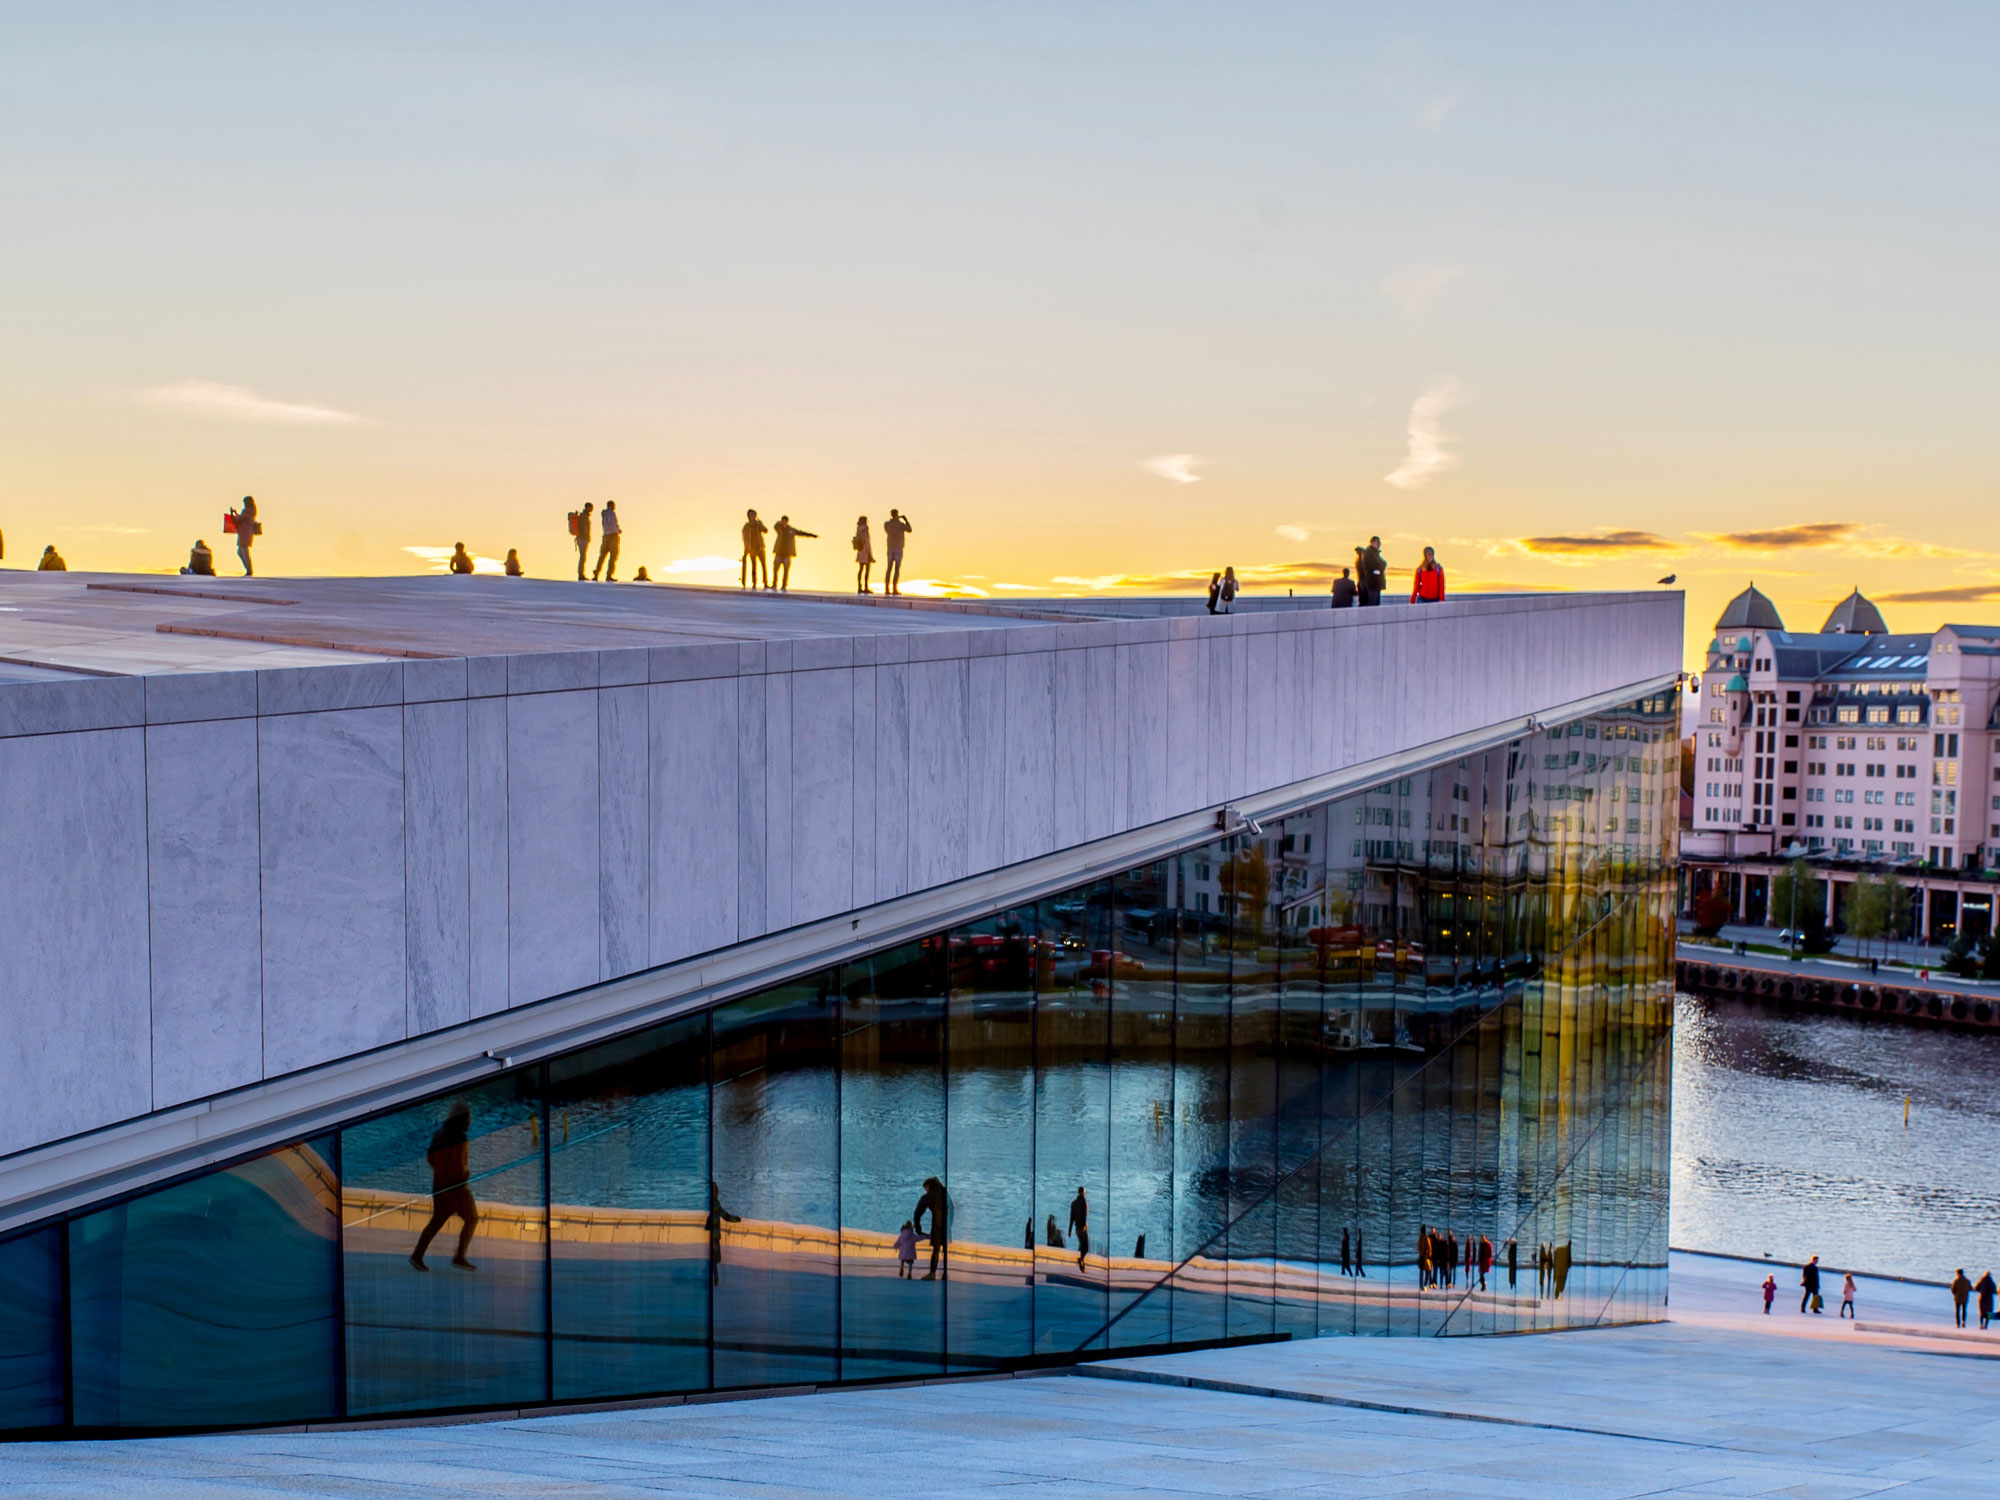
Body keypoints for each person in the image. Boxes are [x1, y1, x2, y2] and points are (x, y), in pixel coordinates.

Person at [409, 1102, 478, 1271]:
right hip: (456, 1188)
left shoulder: (439, 1135)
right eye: (468, 1119)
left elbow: (431, 1159)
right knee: (471, 1218)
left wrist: (442, 1179)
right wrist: (462, 1177)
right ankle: (459, 1256)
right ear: (463, 1120)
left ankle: (418, 1255)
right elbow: (457, 1165)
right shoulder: (460, 1138)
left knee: (437, 1221)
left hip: (440, 1186)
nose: (470, 1122)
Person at [707, 1181, 741, 1288]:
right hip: (715, 1236)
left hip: (710, 1235)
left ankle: (713, 1278)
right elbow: (725, 1216)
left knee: (712, 1258)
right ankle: (715, 1278)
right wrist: (736, 1219)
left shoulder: (708, 1204)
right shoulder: (716, 1204)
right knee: (715, 1258)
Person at [914, 1176, 949, 1280]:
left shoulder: (928, 1196)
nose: (925, 1190)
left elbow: (917, 1213)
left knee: (936, 1249)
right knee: (945, 1249)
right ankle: (944, 1274)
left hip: (937, 1224)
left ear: (928, 1186)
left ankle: (932, 1273)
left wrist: (918, 1229)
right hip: (946, 1223)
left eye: (925, 1188)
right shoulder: (944, 1192)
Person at [772, 516, 816, 591]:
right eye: (782, 521)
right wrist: (779, 523)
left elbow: (801, 533)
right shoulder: (779, 529)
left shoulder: (791, 530)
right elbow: (775, 526)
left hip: (788, 554)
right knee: (775, 569)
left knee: (786, 569)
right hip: (779, 553)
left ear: (787, 521)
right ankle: (774, 584)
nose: (783, 522)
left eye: (784, 521)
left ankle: (784, 585)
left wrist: (812, 535)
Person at [883, 509, 913, 594]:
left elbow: (887, 530)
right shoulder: (901, 525)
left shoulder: (887, 524)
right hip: (898, 548)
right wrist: (906, 520)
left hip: (890, 547)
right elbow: (910, 529)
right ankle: (894, 588)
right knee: (896, 569)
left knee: (889, 568)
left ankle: (887, 588)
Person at [740, 509, 769, 589]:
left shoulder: (758, 524)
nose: (752, 516)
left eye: (753, 514)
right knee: (754, 566)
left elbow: (766, 530)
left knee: (763, 566)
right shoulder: (746, 526)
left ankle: (765, 583)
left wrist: (760, 523)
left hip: (760, 548)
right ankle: (754, 583)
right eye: (751, 514)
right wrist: (746, 549)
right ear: (748, 516)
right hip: (751, 548)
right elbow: (744, 537)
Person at [230, 495, 258, 576]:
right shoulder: (252, 510)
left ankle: (249, 569)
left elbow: (237, 519)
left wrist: (232, 515)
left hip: (244, 532)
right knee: (241, 551)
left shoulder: (247, 511)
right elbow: (242, 518)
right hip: (248, 532)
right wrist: (235, 513)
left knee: (243, 551)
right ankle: (248, 569)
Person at [593, 501, 621, 581]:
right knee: (613, 557)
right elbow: (613, 524)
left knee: (602, 557)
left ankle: (597, 573)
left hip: (605, 536)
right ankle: (609, 575)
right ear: (611, 505)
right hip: (613, 536)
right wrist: (618, 530)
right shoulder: (611, 514)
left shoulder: (604, 514)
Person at [1068, 1186, 1090, 1270]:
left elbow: (1071, 1218)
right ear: (1082, 1193)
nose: (1085, 1194)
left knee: (1081, 1245)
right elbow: (1084, 1215)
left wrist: (1069, 1230)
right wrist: (1084, 1225)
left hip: (1076, 1228)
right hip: (1082, 1228)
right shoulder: (1084, 1202)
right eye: (1085, 1193)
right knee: (1086, 1247)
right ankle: (1081, 1260)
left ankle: (1082, 1265)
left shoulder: (1073, 1203)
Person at [571, 502, 594, 581]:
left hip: (582, 538)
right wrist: (587, 537)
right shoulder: (584, 516)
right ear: (587, 507)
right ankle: (581, 574)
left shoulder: (584, 516)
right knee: (583, 557)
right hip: (583, 538)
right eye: (591, 507)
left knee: (583, 557)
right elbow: (584, 528)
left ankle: (581, 573)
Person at [1359, 537, 1386, 606]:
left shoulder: (1375, 553)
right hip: (1373, 582)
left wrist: (1381, 566)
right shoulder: (1369, 553)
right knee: (1373, 602)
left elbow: (1383, 563)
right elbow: (1376, 564)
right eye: (1378, 542)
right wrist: (1380, 567)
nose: (1379, 544)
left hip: (1376, 582)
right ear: (1373, 542)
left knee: (1376, 602)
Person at [852, 515, 874, 593]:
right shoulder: (865, 529)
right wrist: (870, 554)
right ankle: (865, 587)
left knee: (860, 569)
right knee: (867, 570)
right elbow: (867, 542)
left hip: (860, 551)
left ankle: (859, 586)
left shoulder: (858, 529)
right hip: (865, 552)